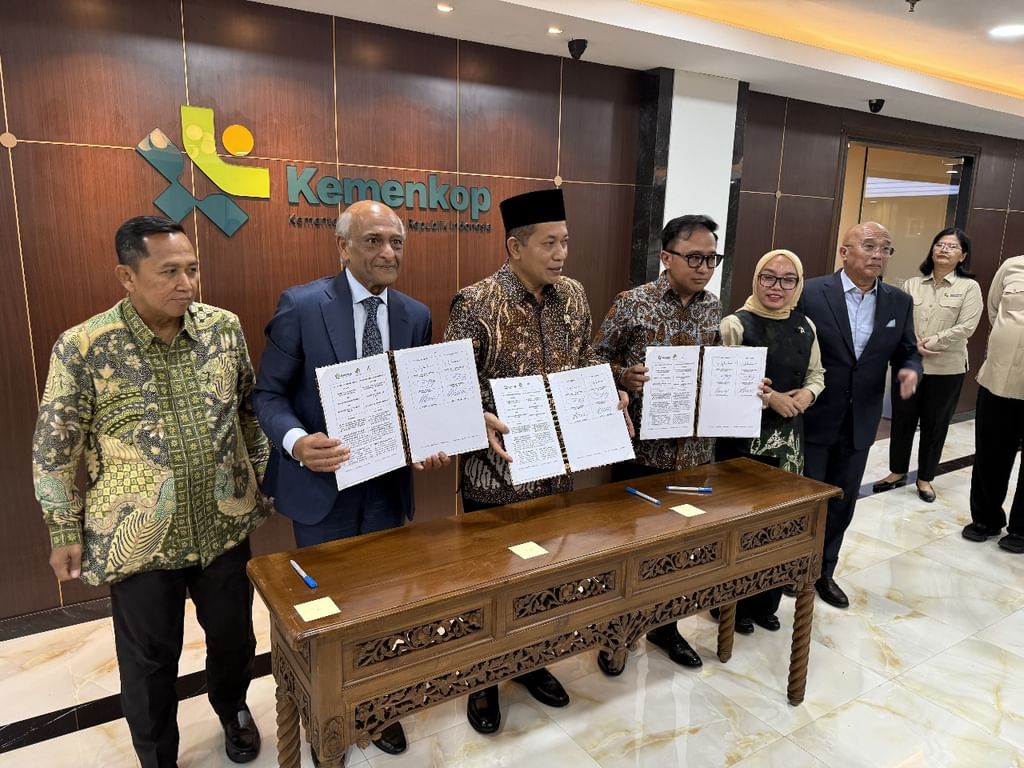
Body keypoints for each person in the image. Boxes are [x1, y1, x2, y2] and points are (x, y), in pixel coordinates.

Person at [32, 216, 269, 767]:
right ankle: (157, 754)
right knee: (149, 659)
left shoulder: (223, 328)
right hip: (137, 539)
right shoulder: (84, 346)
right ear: (127, 276)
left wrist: (261, 478)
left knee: (234, 637)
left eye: (192, 269)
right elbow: (56, 446)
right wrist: (63, 529)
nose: (186, 284)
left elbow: (249, 413)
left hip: (224, 522)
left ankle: (233, 708)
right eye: (169, 272)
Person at [253, 199, 447, 757]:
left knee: (385, 605)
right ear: (343, 247)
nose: (388, 252)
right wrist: (297, 443)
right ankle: (326, 718)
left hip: (386, 489)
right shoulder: (302, 306)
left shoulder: (414, 315)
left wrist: (426, 440)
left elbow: (415, 398)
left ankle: (378, 705)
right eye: (373, 241)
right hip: (322, 490)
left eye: (397, 242)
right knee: (326, 614)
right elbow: (267, 395)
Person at [444, 187, 630, 735]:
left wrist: (610, 389)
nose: (561, 253)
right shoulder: (475, 303)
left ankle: (529, 661)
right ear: (515, 246)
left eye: (565, 242)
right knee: (491, 582)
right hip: (494, 475)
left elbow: (586, 357)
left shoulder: (573, 295)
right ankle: (482, 679)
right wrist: (477, 412)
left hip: (555, 471)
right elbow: (452, 387)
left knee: (545, 574)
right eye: (549, 243)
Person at [592, 214, 723, 671]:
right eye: (695, 258)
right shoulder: (633, 303)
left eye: (712, 258)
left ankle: (666, 628)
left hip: (693, 454)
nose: (704, 268)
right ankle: (616, 636)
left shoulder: (713, 308)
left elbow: (715, 366)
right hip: (640, 454)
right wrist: (621, 376)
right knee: (630, 549)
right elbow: (594, 358)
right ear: (667, 257)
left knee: (678, 548)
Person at [798, 221, 922, 609]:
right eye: (868, 246)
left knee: (843, 499)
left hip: (861, 420)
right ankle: (793, 567)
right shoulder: (811, 292)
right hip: (814, 414)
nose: (877, 255)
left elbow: (908, 350)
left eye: (885, 248)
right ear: (844, 252)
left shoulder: (899, 302)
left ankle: (824, 571)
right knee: (805, 498)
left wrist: (911, 370)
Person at [715, 249, 825, 632]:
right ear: (756, 279)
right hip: (743, 443)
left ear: (798, 284)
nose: (777, 286)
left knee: (779, 523)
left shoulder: (805, 325)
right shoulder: (735, 324)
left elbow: (817, 374)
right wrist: (770, 398)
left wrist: (807, 395)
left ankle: (766, 601)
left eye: (787, 279)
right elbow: (722, 383)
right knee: (742, 523)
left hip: (788, 443)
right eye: (768, 277)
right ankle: (731, 606)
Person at [872, 228, 982, 503]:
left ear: (963, 256)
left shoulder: (969, 288)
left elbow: (967, 327)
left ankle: (925, 478)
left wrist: (930, 341)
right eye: (940, 244)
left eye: (952, 246)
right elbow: (900, 319)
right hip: (910, 365)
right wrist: (913, 344)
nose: (944, 249)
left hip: (946, 369)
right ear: (932, 250)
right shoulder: (912, 284)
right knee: (902, 420)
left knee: (935, 424)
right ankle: (897, 471)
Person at [962, 254, 1024, 553]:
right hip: (999, 378)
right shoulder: (1013, 266)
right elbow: (994, 310)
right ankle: (986, 519)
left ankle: (1022, 530)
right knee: (990, 453)